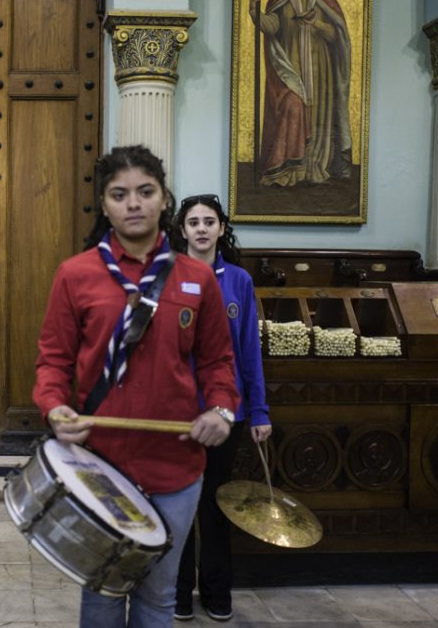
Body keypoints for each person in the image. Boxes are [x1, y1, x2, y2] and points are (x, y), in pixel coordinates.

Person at [33, 145, 241, 627]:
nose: (134, 204)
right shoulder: (76, 274)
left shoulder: (197, 278)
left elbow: (217, 362)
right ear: (104, 204)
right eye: (119, 194)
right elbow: (53, 362)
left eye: (145, 192)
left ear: (164, 199)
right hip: (99, 468)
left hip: (177, 467)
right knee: (104, 593)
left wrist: (222, 410)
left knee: (158, 596)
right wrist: (52, 407)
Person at [171, 194, 272, 622]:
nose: (201, 229)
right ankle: (176, 594)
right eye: (192, 221)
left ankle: (216, 592)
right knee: (176, 508)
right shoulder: (167, 277)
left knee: (216, 506)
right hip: (176, 415)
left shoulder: (239, 282)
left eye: (209, 221)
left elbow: (249, 350)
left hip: (226, 413)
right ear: (181, 230)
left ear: (221, 227)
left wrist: (260, 411)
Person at [250, 0, 352, 187]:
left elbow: (338, 35)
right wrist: (255, 12)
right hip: (291, 68)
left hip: (321, 70)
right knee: (293, 106)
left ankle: (315, 164)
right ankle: (289, 167)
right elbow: (272, 26)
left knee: (319, 115)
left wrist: (316, 22)